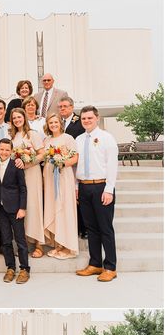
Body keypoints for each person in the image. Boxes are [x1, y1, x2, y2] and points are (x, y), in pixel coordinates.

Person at [75, 106, 118, 282]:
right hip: (84, 188)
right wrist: (77, 186)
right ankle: (95, 263)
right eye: (83, 118)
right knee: (91, 228)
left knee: (105, 228)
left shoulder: (107, 138)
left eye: (89, 118)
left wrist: (109, 189)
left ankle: (110, 267)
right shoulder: (78, 139)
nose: (86, 121)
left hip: (101, 187)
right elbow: (77, 165)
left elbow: (112, 165)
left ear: (97, 118)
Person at [10, 108, 46, 257]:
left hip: (32, 173)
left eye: (19, 117)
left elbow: (42, 154)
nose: (17, 120)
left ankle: (39, 245)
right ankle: (23, 242)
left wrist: (28, 163)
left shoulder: (32, 134)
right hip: (18, 176)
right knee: (22, 206)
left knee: (34, 205)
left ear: (24, 118)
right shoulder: (12, 136)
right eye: (14, 118)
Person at [43, 113, 79, 259]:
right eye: (50, 123)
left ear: (60, 123)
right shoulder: (46, 140)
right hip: (50, 178)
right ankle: (58, 244)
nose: (53, 125)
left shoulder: (68, 138)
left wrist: (62, 162)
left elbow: (75, 157)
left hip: (63, 176)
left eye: (56, 122)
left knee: (64, 208)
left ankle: (67, 246)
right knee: (53, 208)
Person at [0, 139, 30, 284]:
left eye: (7, 150)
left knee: (20, 240)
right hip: (1, 208)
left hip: (15, 208)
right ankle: (10, 267)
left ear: (11, 151)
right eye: (1, 149)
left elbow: (23, 188)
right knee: (6, 240)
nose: (4, 152)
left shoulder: (16, 165)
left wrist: (22, 208)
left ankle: (24, 269)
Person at [59, 96, 87, 240]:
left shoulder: (79, 122)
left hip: (76, 164)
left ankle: (83, 229)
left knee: (78, 196)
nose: (62, 109)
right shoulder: (59, 122)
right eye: (60, 107)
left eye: (65, 106)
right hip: (62, 166)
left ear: (71, 107)